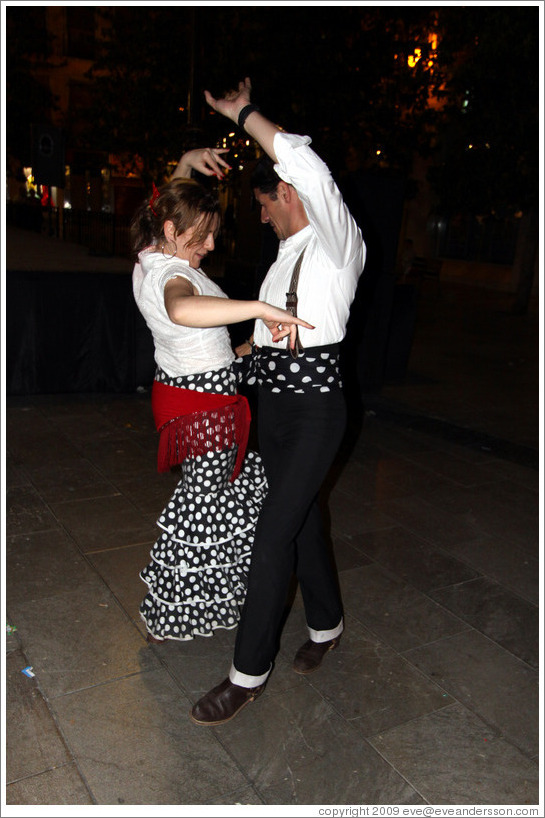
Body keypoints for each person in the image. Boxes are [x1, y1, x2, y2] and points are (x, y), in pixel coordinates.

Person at [190, 79, 366, 725]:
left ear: (285, 194)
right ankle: (326, 625)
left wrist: (242, 115)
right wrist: (216, 362)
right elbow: (265, 341)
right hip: (276, 411)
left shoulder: (339, 244)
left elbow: (302, 162)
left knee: (272, 535)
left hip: (318, 411)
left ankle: (246, 673)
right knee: (299, 522)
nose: (261, 216)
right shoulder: (279, 261)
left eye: (264, 204)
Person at [131, 146, 313, 643]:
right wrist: (261, 308)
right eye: (204, 233)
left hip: (198, 392)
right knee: (204, 506)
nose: (211, 243)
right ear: (172, 231)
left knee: (217, 499)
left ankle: (213, 596)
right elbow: (184, 311)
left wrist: (186, 164)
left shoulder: (150, 257)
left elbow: (161, 207)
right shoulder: (170, 276)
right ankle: (171, 610)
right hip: (203, 407)